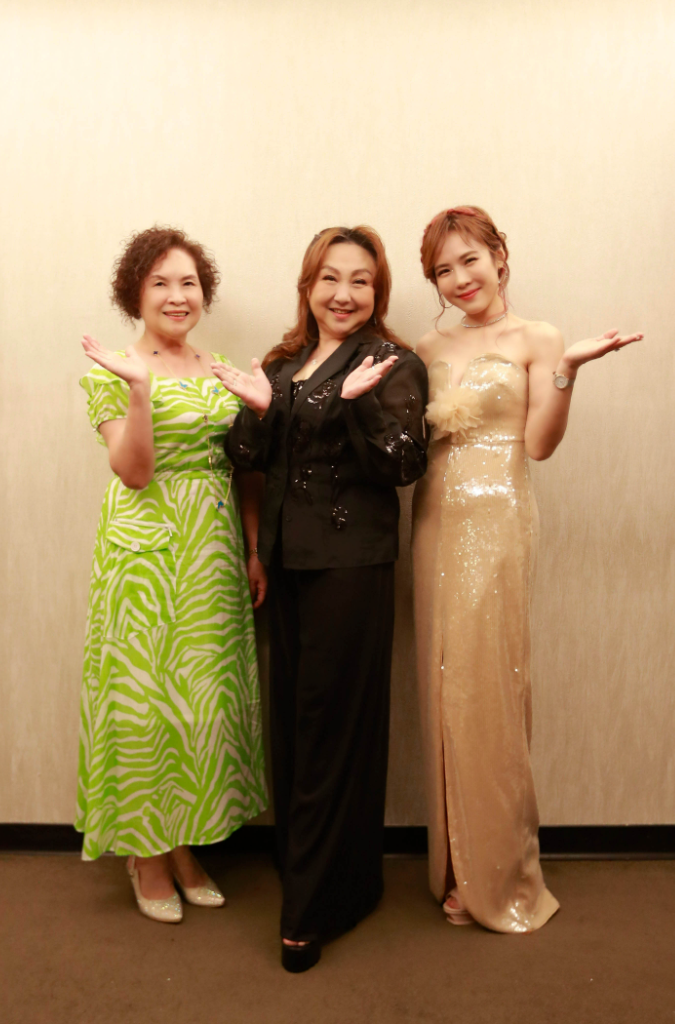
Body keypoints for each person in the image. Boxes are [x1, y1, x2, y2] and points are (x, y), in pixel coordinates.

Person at [411, 205, 642, 932]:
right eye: (443, 270)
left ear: (499, 257)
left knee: (488, 687)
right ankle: (455, 866)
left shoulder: (538, 338)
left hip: (499, 519)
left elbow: (539, 445)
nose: (459, 278)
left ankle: (498, 873)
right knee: (440, 684)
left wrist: (567, 372)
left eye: (469, 260)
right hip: (433, 520)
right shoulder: (426, 346)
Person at [210, 226, 428, 970]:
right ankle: (330, 875)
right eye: (329, 278)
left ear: (378, 292)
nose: (343, 293)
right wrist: (257, 411)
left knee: (332, 727)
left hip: (351, 567)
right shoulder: (281, 364)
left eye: (360, 280)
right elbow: (247, 459)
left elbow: (403, 464)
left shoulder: (391, 362)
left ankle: (309, 910)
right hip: (287, 564)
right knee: (296, 729)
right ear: (307, 287)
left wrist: (360, 406)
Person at [76, 226, 268, 923]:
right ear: (135, 293)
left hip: (211, 550)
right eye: (160, 282)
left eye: (188, 282)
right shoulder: (111, 369)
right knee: (144, 699)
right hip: (143, 553)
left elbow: (245, 468)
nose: (176, 295)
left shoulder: (222, 369)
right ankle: (146, 853)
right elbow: (133, 472)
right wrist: (139, 392)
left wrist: (252, 548)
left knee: (200, 699)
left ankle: (183, 842)